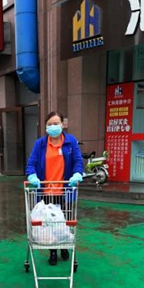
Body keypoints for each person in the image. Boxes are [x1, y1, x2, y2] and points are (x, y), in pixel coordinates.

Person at [25, 111, 85, 265]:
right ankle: (52, 251)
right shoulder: (41, 144)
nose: (53, 127)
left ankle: (64, 245)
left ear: (63, 124)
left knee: (63, 222)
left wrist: (77, 173)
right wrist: (32, 176)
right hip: (46, 191)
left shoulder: (70, 142)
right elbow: (31, 163)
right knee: (49, 223)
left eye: (56, 123)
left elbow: (78, 160)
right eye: (49, 124)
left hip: (65, 191)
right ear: (45, 127)